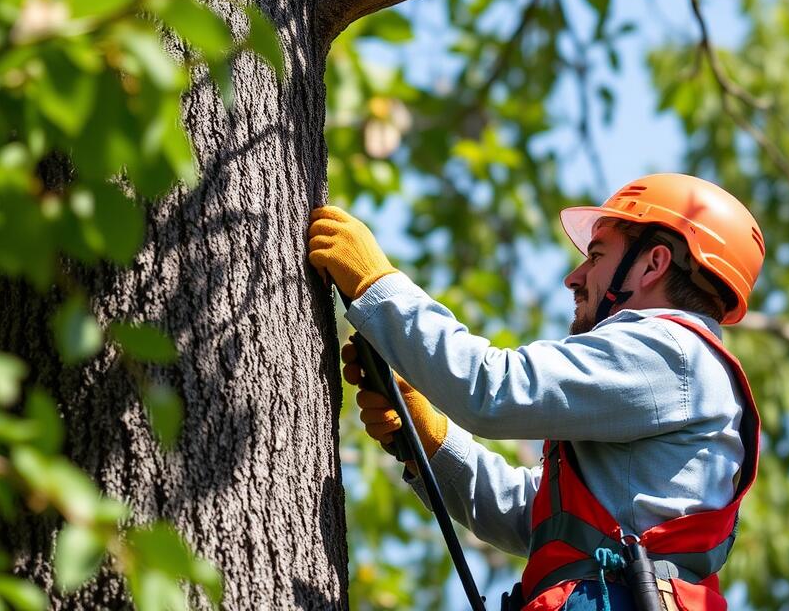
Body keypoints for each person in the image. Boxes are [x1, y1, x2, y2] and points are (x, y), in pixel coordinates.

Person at [307, 173, 765, 611]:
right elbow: (542, 519)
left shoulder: (670, 350)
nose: (575, 276)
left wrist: (378, 288)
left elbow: (495, 388)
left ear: (653, 264)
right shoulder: (680, 370)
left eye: (597, 255)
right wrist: (432, 443)